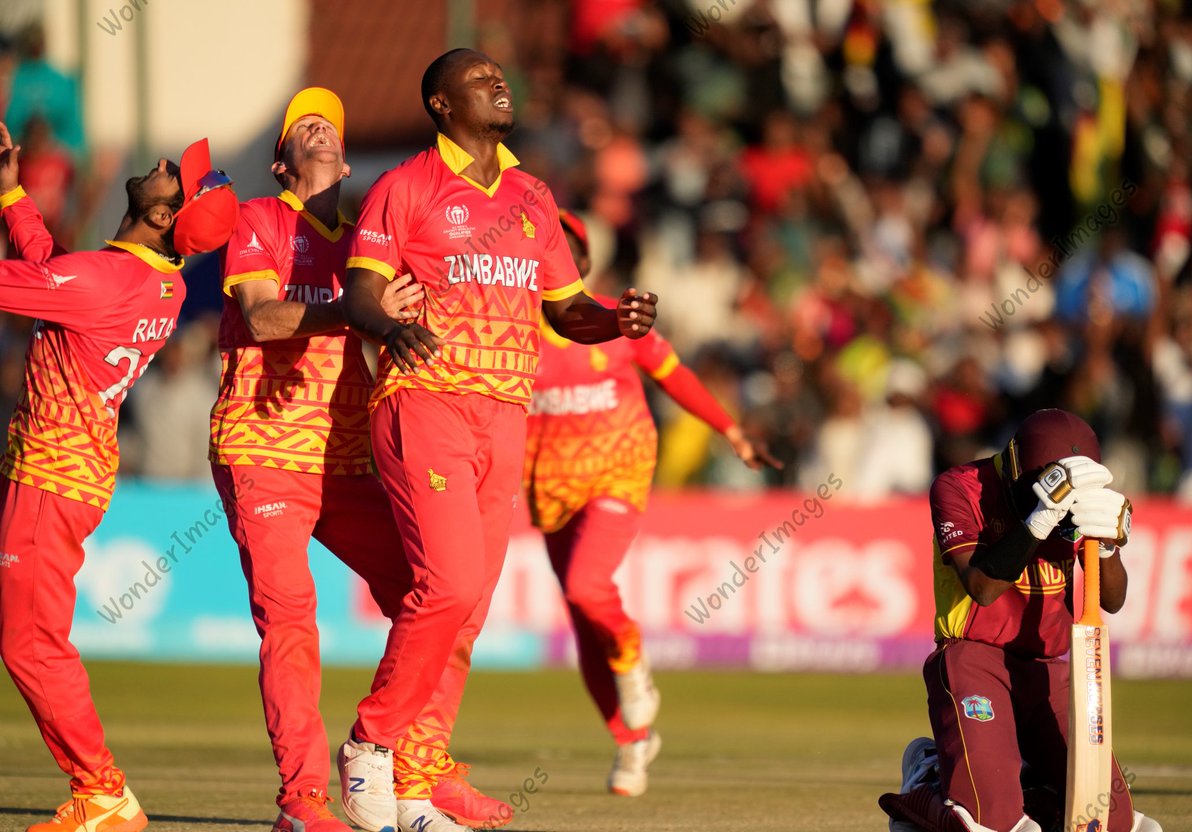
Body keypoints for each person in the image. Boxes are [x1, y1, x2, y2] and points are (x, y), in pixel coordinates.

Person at [338, 48, 659, 832]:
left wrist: (614, 318)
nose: (499, 84)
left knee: (468, 612)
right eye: (479, 80)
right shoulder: (405, 186)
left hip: (506, 413)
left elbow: (566, 307)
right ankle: (369, 749)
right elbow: (358, 292)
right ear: (441, 105)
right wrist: (390, 327)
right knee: (445, 587)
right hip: (428, 401)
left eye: (500, 77)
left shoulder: (531, 193)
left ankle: (418, 780)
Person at [210, 87, 512, 832]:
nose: (318, 131)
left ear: (345, 157)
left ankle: (413, 772)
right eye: (302, 127)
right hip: (263, 448)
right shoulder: (261, 219)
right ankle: (304, 802)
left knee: (446, 592)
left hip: (347, 462)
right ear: (282, 162)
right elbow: (260, 316)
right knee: (290, 622)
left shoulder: (374, 235)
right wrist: (354, 306)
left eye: (328, 127)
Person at [0, 121, 237, 831]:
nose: (165, 163)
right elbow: (53, 277)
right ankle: (100, 789)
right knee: (31, 637)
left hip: (52, 473)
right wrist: (14, 194)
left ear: (166, 216)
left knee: (28, 643)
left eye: (177, 176)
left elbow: (44, 283)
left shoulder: (110, 277)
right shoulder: (147, 282)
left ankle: (103, 791)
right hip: (70, 471)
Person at [524, 209, 779, 796]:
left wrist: (732, 431)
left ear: (582, 265)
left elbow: (675, 375)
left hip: (619, 472)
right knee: (582, 623)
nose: (549, 260)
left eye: (563, 250)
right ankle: (632, 743)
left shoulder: (618, 318)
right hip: (549, 489)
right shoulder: (512, 331)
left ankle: (635, 665)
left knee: (589, 587)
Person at [877, 409, 1162, 832]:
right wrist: (1041, 517)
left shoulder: (1082, 497)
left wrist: (1108, 547)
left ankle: (1019, 780)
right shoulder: (960, 486)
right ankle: (930, 782)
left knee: (1110, 823)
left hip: (1048, 669)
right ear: (1013, 464)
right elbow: (982, 587)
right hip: (973, 657)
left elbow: (1113, 600)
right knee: (996, 824)